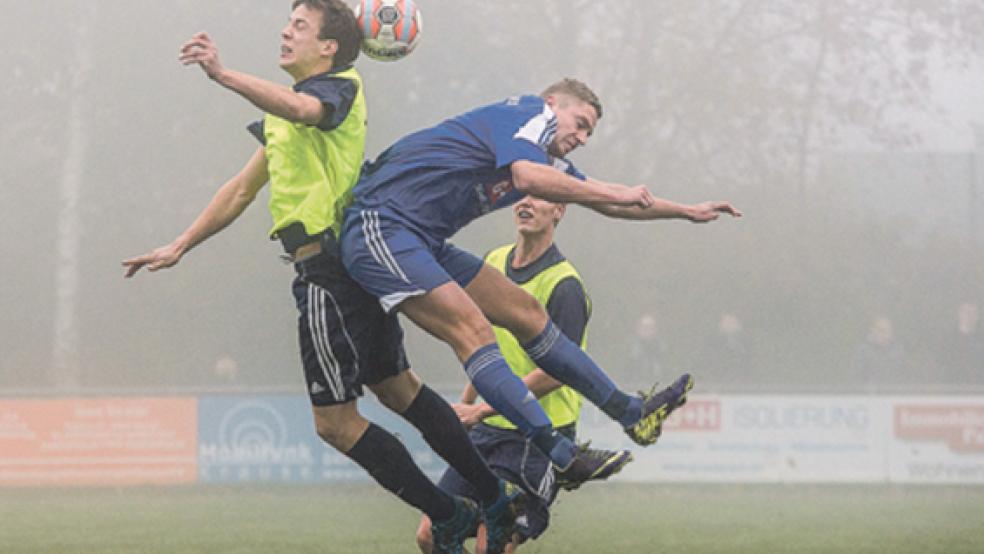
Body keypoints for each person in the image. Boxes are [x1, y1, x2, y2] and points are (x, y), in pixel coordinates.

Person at [120, 3, 523, 553]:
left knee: (334, 424)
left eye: (300, 26)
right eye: (288, 24)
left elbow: (304, 107)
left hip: (327, 272)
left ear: (329, 47)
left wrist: (222, 74)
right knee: (398, 390)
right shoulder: (288, 116)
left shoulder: (337, 90)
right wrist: (181, 244)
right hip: (349, 267)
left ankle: (449, 513)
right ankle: (495, 499)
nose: (286, 32)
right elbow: (241, 190)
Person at [339, 78, 741, 482]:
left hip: (422, 238)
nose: (582, 138)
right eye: (580, 123)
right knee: (475, 331)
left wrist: (685, 210)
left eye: (589, 133)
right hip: (381, 224)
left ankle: (630, 412)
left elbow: (610, 198)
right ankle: (562, 455)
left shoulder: (539, 154)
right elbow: (530, 178)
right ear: (552, 104)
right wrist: (617, 195)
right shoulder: (529, 114)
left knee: (527, 312)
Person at [416, 195, 632, 553]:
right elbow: (479, 343)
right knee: (431, 534)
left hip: (538, 438)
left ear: (559, 211)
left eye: (540, 197)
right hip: (487, 431)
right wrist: (466, 407)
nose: (526, 204)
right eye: (521, 196)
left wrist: (482, 409)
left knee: (492, 545)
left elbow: (560, 372)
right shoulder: (493, 262)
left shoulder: (565, 285)